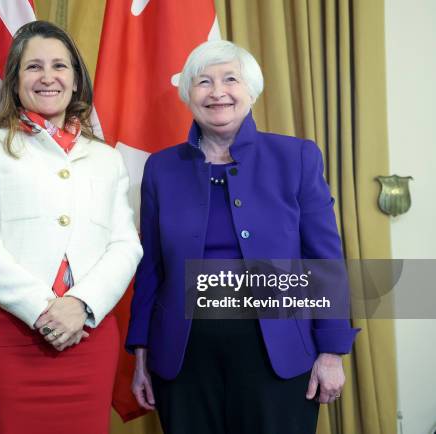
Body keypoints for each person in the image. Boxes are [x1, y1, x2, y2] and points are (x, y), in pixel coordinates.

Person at [126, 40, 360, 434]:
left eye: (230, 79)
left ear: (250, 90)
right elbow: (150, 268)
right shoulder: (161, 169)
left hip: (278, 353)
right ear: (188, 95)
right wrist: (140, 352)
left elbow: (324, 260)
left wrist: (332, 351)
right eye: (203, 82)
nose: (217, 92)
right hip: (182, 358)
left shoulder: (297, 157)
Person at [0, 20, 142, 434]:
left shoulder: (106, 158)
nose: (47, 76)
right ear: (15, 80)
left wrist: (80, 306)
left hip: (87, 334)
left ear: (75, 80)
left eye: (59, 66)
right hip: (5, 334)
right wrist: (44, 310)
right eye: (33, 66)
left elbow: (125, 245)